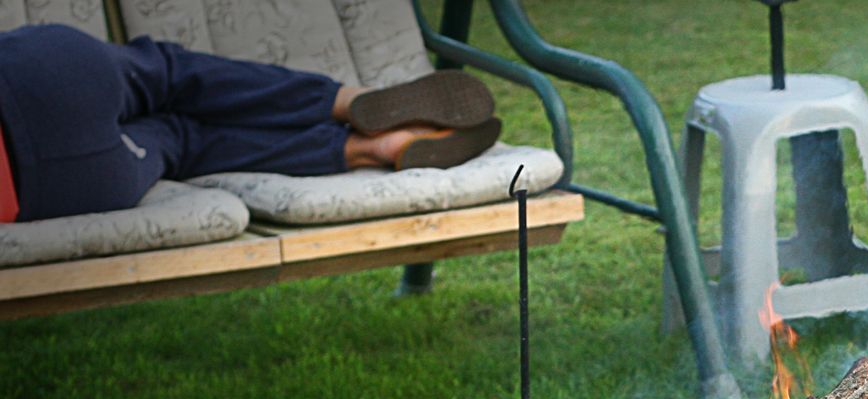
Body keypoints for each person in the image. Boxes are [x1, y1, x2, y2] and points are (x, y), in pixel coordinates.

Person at [0, 23, 501, 224]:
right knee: (177, 75)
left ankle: (371, 148)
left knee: (184, 142)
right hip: (37, 81)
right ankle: (348, 101)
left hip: (59, 185)